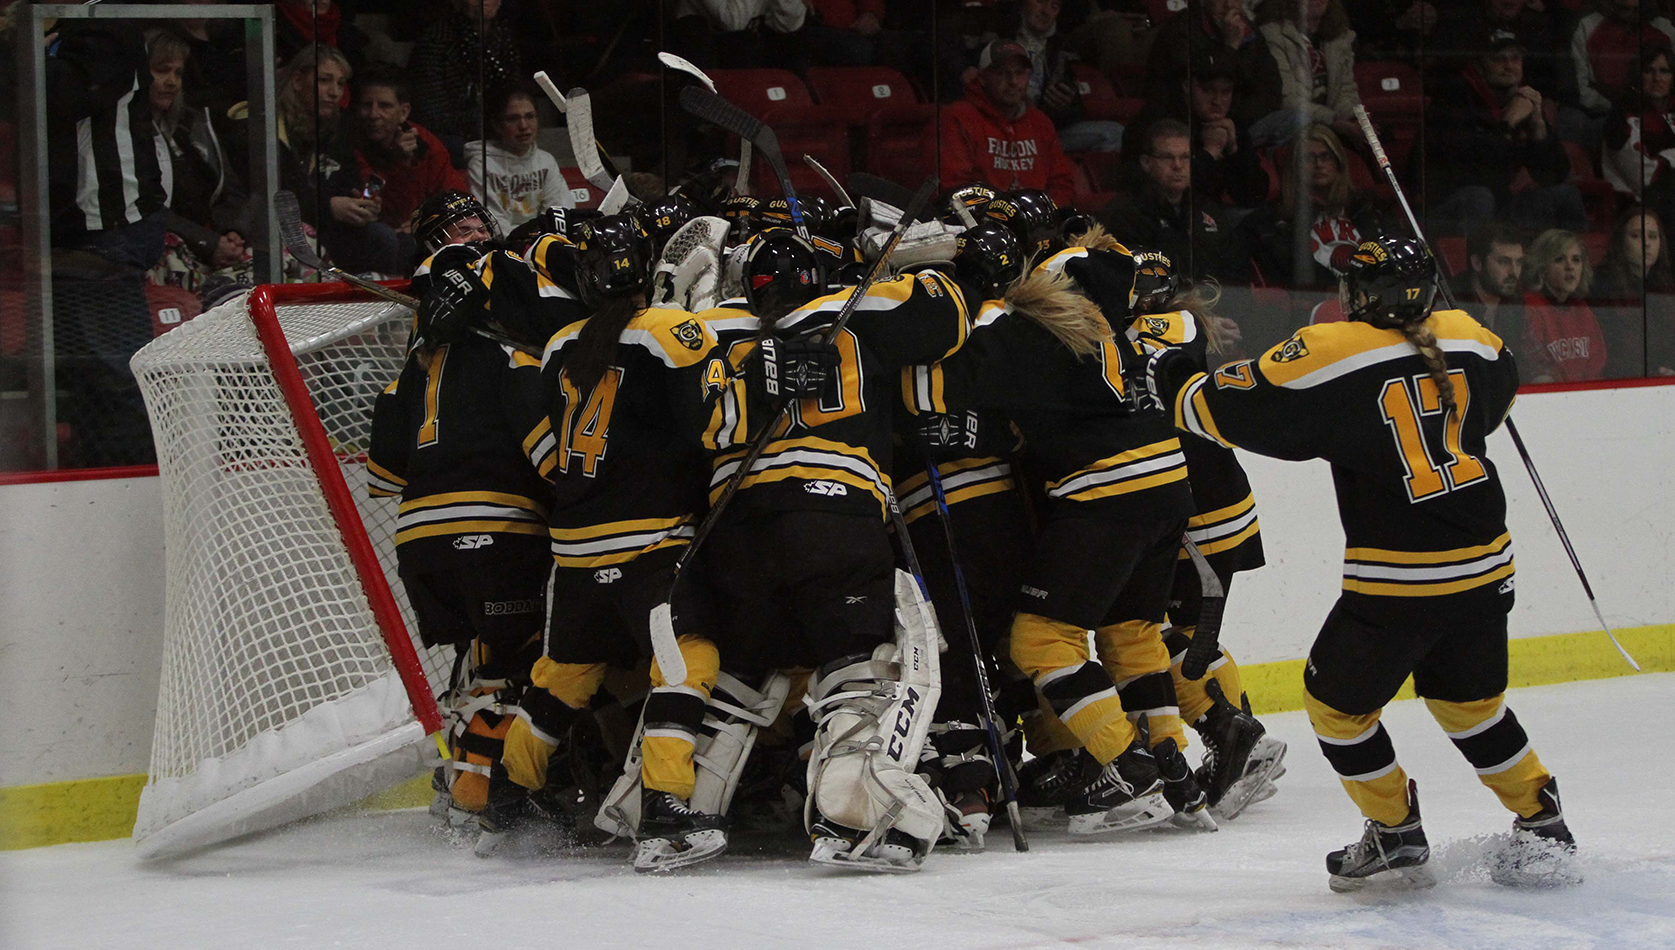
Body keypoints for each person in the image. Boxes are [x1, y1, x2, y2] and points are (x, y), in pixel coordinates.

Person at [1150, 235, 1578, 892]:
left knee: (1335, 708)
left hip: (1398, 580)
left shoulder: (1331, 350)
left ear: (1357, 294)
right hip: (1486, 565)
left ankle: (1394, 832)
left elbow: (1211, 407)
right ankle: (1542, 822)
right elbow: (1499, 396)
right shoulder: (1472, 336)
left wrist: (1171, 366)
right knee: (1473, 708)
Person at [697, 230, 973, 871]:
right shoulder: (856, 306)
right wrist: (893, 261)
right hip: (832, 513)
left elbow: (692, 421)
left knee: (742, 675)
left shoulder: (711, 331)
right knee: (854, 671)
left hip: (734, 527)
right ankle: (860, 817)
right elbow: (949, 314)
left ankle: (676, 806)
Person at [924, 215, 1201, 837]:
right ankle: (1176, 775)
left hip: (1106, 495)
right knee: (1132, 634)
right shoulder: (1114, 333)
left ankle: (1129, 770)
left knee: (1039, 642)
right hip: (1168, 486)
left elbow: (940, 381)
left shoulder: (1032, 332)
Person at [501, 214, 731, 871]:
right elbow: (713, 426)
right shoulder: (667, 330)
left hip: (573, 551)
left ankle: (501, 804)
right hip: (649, 545)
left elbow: (553, 448)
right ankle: (665, 810)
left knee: (559, 681)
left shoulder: (559, 344)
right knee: (687, 663)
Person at [365, 193, 570, 855]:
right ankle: (481, 793)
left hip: (418, 541)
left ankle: (454, 782)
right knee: (516, 660)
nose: (478, 231)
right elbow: (551, 461)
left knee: (476, 658)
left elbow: (381, 477)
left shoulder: (410, 371)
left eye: (482, 220)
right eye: (460, 226)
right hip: (495, 530)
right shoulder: (512, 359)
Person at [1419, 28, 1583, 239]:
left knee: (1566, 194)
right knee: (1480, 197)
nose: (1509, 66)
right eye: (1499, 59)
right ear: (1479, 64)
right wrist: (1507, 123)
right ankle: (1473, 268)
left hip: (1500, 204)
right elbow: (1470, 173)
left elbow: (1556, 174)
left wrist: (1539, 126)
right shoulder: (1454, 97)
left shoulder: (1523, 98)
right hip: (1450, 206)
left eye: (1516, 58)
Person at [271, 44, 406, 275]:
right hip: (281, 230)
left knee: (384, 239)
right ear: (296, 81)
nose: (334, 92)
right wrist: (330, 207)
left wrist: (360, 204)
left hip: (328, 226)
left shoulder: (338, 126)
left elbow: (348, 181)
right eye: (324, 80)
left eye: (340, 83)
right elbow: (276, 195)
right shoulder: (272, 125)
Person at [928, 40, 1077, 208]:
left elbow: (1062, 182)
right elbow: (952, 189)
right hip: (982, 227)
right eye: (1002, 73)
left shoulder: (1039, 122)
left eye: (1020, 73)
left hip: (1038, 225)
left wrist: (1045, 213)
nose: (1013, 81)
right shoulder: (958, 117)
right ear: (983, 77)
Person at [1240, 123, 1390, 290]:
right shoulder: (1274, 220)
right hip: (1315, 304)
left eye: (1325, 156)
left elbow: (1388, 264)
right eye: (1309, 158)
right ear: (1295, 166)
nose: (1318, 164)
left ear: (1338, 162)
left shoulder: (1366, 207)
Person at [1103, 119, 1245, 284]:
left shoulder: (1207, 210)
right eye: (1167, 157)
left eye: (1185, 157)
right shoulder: (1126, 213)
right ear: (1146, 163)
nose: (1178, 165)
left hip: (1214, 305)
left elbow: (1235, 272)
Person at [1121, 62, 1272, 210]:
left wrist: (1234, 151)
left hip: (1212, 217)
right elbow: (1167, 195)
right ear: (1187, 86)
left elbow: (1254, 197)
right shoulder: (1156, 123)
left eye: (1226, 92)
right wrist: (1209, 152)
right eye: (1208, 90)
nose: (1217, 101)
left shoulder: (1230, 124)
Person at [353, 65, 467, 234]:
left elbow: (460, 200)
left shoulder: (426, 144)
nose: (373, 114)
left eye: (384, 106)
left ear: (404, 112)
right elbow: (370, 201)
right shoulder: (352, 143)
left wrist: (428, 221)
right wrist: (397, 162)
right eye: (367, 105)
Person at [410, 0, 524, 157]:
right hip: (452, 136)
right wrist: (485, 120)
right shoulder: (435, 42)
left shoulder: (505, 38)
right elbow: (432, 117)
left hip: (497, 128)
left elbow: (514, 96)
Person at [1008, 0, 1124, 154]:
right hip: (1003, 129)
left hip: (1045, 133)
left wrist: (1065, 104)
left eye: (1054, 7)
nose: (1046, 12)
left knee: (1116, 132)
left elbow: (1076, 113)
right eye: (1041, 2)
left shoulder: (1062, 47)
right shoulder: (1002, 32)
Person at [1146, 0, 1280, 131]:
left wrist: (1236, 122)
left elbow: (1272, 90)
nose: (1229, 4)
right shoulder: (1182, 28)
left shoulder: (1251, 32)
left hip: (1243, 123)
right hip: (1189, 127)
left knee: (1295, 119)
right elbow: (1194, 92)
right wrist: (1230, 47)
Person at [1560, 0, 1675, 152]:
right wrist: (1617, 109)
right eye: (1624, 9)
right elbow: (1581, 89)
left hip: (1661, 113)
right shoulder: (1586, 26)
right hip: (1608, 114)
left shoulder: (1663, 27)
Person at [1249, 0, 1362, 149]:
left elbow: (1346, 89)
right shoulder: (1272, 35)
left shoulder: (1340, 36)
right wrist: (1335, 121)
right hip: (1291, 127)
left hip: (1330, 123)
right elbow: (1287, 100)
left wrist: (1353, 119)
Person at [467, 85, 575, 236]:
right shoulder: (481, 163)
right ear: (497, 125)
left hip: (543, 244)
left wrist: (545, 240)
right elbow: (490, 218)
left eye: (530, 116)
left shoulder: (546, 161)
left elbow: (559, 209)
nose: (523, 126)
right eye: (513, 119)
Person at [1591, 205, 1675, 378]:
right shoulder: (1603, 285)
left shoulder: (1664, 287)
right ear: (1620, 241)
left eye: (1653, 236)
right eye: (1636, 236)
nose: (1647, 243)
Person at [1521, 228, 1608, 382]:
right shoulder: (1532, 307)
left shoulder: (1582, 309)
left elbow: (1597, 366)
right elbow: (1537, 369)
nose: (1570, 267)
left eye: (1576, 259)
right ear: (1542, 267)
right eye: (1560, 259)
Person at [1602, 47, 1675, 231]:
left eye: (1664, 71)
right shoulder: (1621, 116)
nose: (1657, 78)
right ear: (1638, 75)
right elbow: (1642, 177)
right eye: (1649, 71)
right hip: (1639, 206)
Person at [1453, 221, 1527, 344]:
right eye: (1504, 262)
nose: (1514, 272)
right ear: (1477, 263)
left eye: (1519, 262)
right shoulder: (1451, 303)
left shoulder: (1516, 302)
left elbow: (1529, 356)